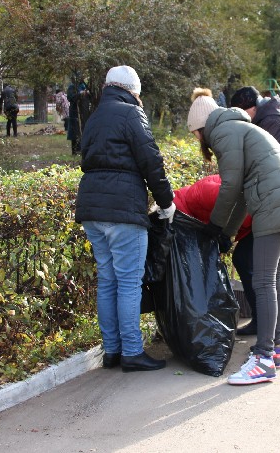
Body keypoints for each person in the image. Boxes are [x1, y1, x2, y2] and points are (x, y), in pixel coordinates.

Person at [185, 91, 280, 385]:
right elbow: (240, 194)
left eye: (195, 134)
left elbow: (229, 186)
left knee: (264, 282)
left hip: (273, 204)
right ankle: (275, 349)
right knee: (273, 279)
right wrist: (227, 233)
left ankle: (263, 360)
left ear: (201, 128)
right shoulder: (239, 127)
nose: (199, 140)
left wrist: (215, 227)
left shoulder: (223, 132)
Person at [75, 65, 176, 373]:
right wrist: (166, 202)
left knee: (107, 280)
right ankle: (132, 352)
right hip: (123, 210)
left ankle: (112, 351)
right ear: (134, 91)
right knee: (129, 282)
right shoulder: (132, 114)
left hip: (92, 208)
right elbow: (151, 161)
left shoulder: (94, 117)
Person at [172, 174, 280, 351]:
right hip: (254, 221)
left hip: (265, 214)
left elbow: (240, 200)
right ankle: (261, 322)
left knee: (267, 275)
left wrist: (227, 233)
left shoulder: (198, 195)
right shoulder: (191, 214)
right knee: (243, 260)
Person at [229, 85, 280, 344]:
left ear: (250, 108)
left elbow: (266, 167)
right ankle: (266, 323)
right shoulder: (271, 116)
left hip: (279, 202)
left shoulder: (271, 122)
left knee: (269, 275)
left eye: (242, 114)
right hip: (279, 200)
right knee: (249, 260)